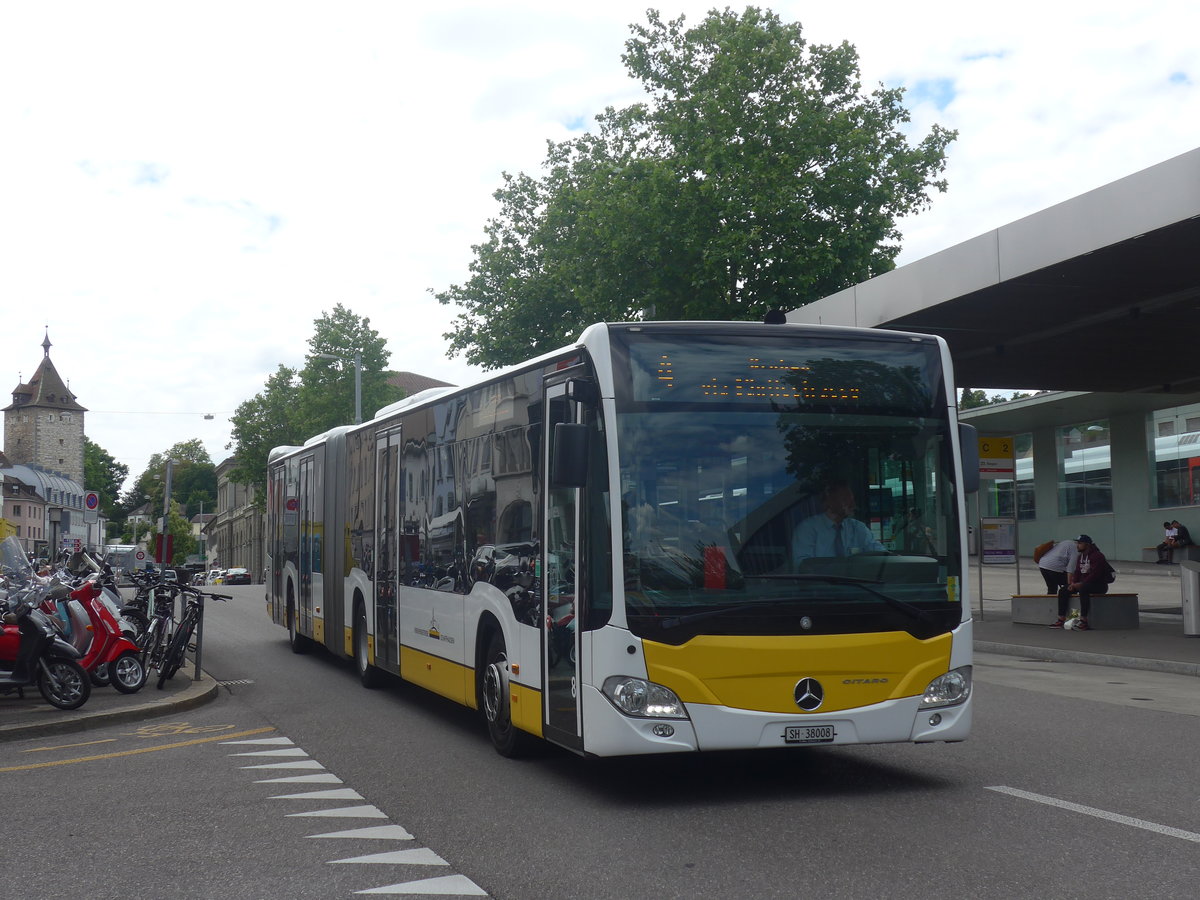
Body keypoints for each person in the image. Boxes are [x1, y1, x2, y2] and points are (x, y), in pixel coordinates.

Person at [792, 482, 885, 562]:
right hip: (821, 582)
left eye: (852, 500)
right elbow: (803, 567)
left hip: (857, 582)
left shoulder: (857, 528)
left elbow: (880, 554)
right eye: (845, 499)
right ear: (829, 501)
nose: (852, 504)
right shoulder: (807, 529)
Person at [1052, 534, 1112, 630]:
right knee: (1064, 590)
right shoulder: (1081, 557)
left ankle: (1084, 620)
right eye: (1077, 543)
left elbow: (1095, 574)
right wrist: (1073, 584)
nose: (1077, 545)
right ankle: (1061, 619)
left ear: (1087, 545)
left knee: (1084, 589)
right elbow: (1077, 572)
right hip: (1084, 583)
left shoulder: (1098, 556)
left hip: (1099, 585)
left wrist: (1080, 584)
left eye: (1080, 543)